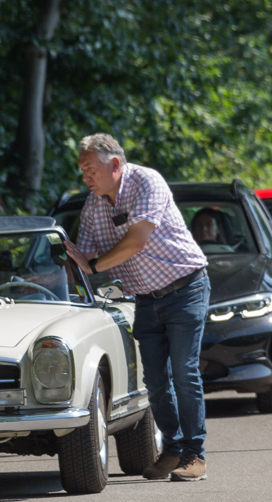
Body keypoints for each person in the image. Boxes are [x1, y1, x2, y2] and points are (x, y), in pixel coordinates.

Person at [63, 133, 211, 482]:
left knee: (184, 372)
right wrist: (63, 274)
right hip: (145, 299)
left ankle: (196, 455)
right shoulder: (94, 203)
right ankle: (173, 450)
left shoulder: (147, 181)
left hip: (186, 288)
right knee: (156, 382)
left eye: (90, 169)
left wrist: (94, 266)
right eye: (81, 170)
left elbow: (137, 241)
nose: (85, 176)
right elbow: (79, 256)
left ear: (115, 164)